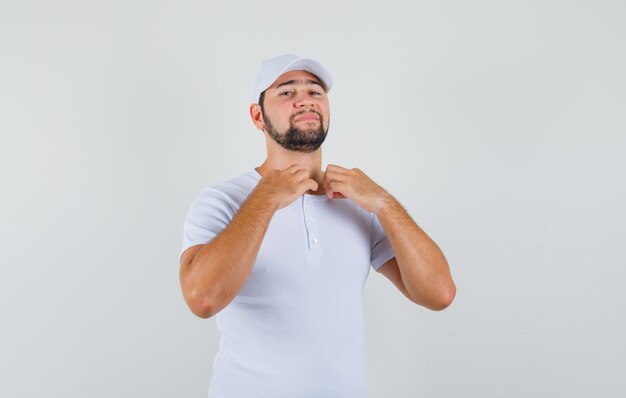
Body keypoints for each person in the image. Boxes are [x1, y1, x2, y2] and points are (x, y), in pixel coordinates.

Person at [178, 54, 456, 397]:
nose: (305, 100)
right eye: (286, 92)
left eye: (315, 91)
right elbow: (202, 299)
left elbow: (439, 293)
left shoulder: (357, 202)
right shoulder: (223, 200)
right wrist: (266, 198)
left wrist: (382, 201)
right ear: (257, 117)